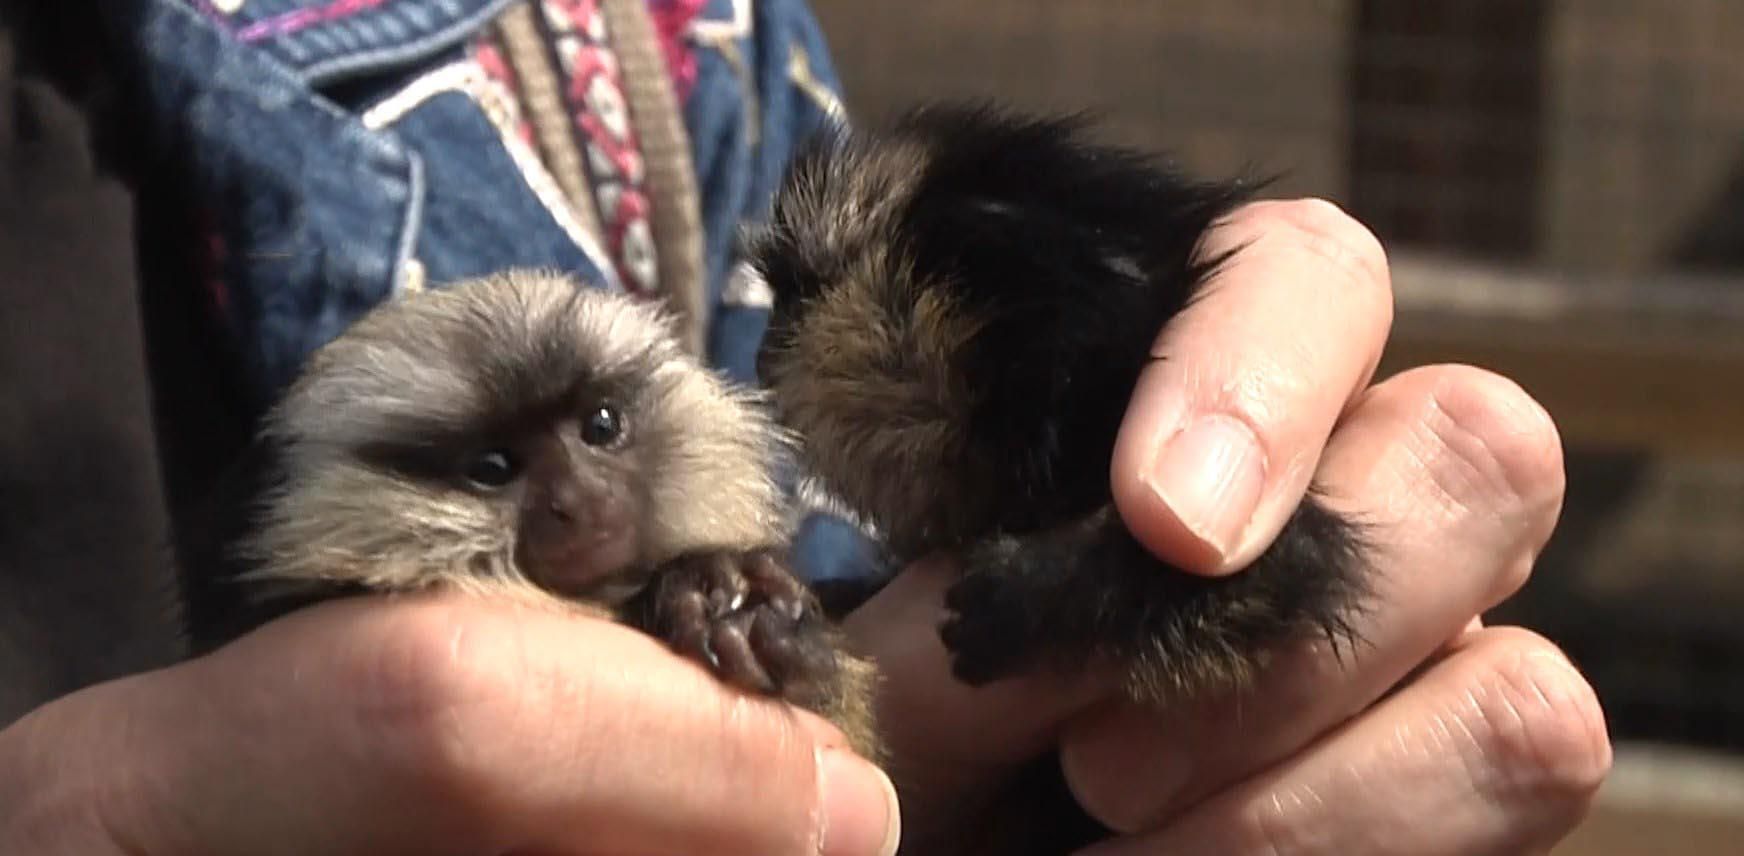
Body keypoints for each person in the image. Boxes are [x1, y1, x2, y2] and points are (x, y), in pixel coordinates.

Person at [0, 0, 1607, 853]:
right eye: (501, 474)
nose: (575, 503)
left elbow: (876, 697)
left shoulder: (631, 47)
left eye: (605, 433)